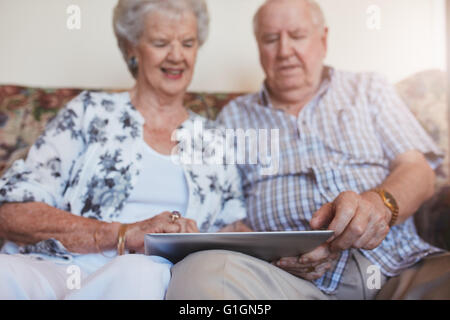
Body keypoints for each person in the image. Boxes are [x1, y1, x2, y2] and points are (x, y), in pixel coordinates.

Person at [166, 0, 450, 300]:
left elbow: (418, 170)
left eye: (297, 36)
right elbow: (222, 208)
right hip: (286, 283)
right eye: (271, 39)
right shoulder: (233, 118)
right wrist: (256, 244)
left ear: (323, 39)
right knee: (198, 274)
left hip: (396, 266)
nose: (285, 51)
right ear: (259, 47)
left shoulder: (369, 89)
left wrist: (379, 204)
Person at [0, 0, 248, 300]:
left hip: (149, 276)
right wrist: (122, 233)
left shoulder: (213, 139)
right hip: (59, 267)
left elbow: (233, 231)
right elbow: (12, 210)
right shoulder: (89, 112)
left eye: (188, 42)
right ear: (132, 48)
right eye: (160, 42)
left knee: (138, 275)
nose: (177, 55)